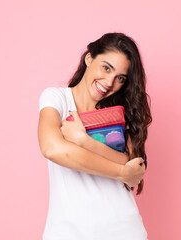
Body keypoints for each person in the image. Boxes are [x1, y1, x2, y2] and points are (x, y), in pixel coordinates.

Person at [38, 32, 152, 240]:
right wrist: (120, 172)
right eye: (106, 68)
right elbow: (52, 149)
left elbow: (132, 165)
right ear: (89, 58)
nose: (109, 82)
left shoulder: (122, 111)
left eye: (120, 78)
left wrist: (83, 141)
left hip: (124, 231)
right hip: (68, 232)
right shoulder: (57, 99)